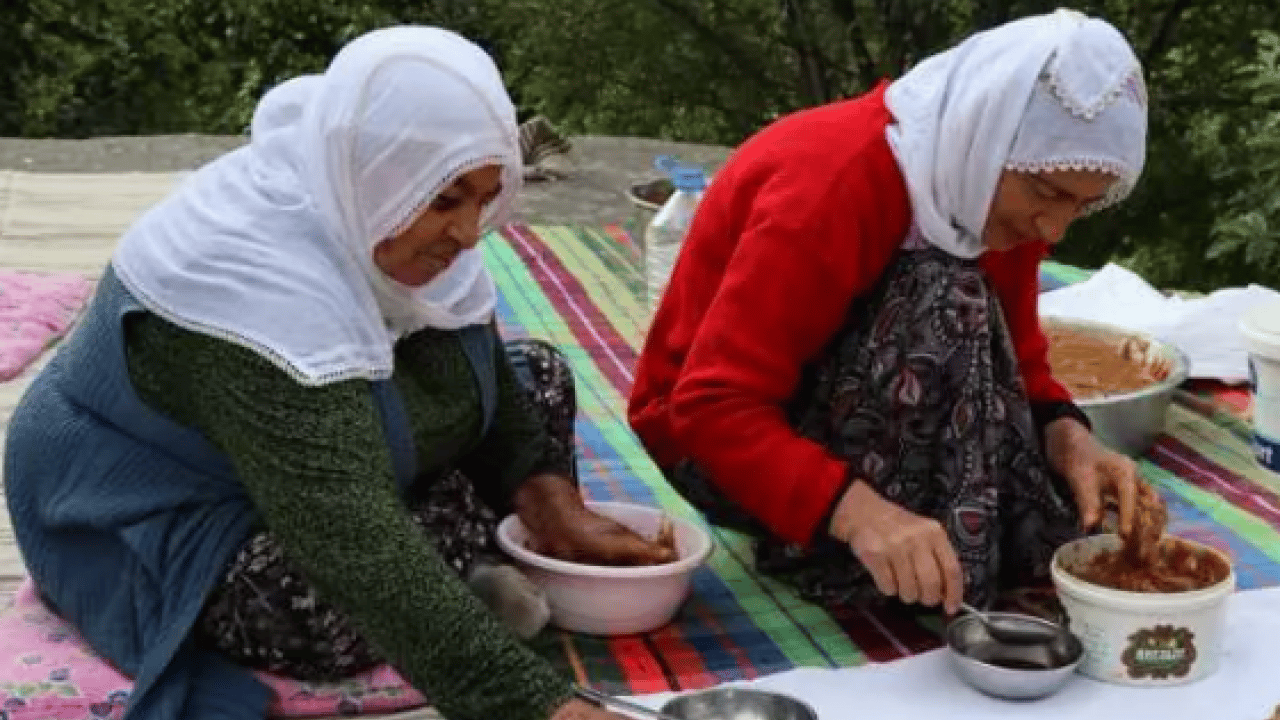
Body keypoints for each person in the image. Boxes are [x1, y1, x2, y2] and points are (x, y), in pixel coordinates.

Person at [4, 26, 666, 720]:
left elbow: (478, 363)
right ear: (379, 174)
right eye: (447, 201)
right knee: (314, 599)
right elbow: (355, 543)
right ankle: (446, 578)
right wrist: (546, 709)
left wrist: (552, 506)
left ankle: (453, 555)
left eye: (485, 197)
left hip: (311, 462)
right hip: (150, 516)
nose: (471, 233)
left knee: (539, 378)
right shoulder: (247, 286)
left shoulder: (371, 195)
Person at [628, 9, 1160, 615]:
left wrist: (1068, 437)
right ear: (986, 134)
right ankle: (834, 546)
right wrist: (861, 515)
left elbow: (1016, 352)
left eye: (1082, 207)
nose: (1055, 228)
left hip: (826, 400)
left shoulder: (983, 190)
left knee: (958, 302)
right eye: (1048, 196)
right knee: (943, 296)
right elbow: (710, 407)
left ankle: (928, 532)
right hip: (712, 443)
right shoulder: (833, 183)